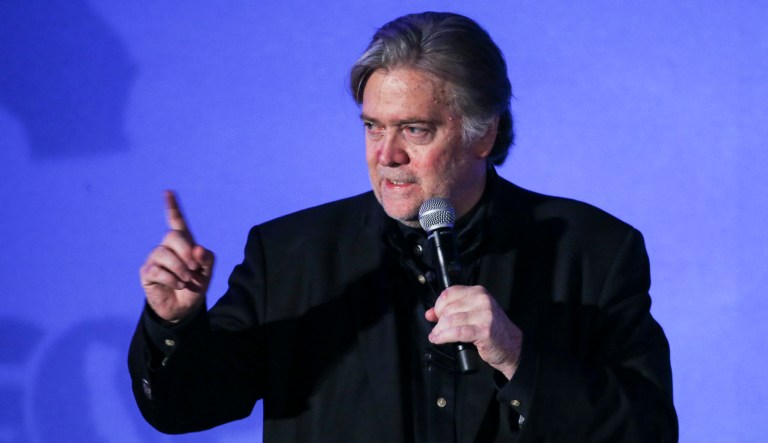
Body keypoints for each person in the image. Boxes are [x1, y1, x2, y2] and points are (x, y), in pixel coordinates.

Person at [129, 11, 678, 442]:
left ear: (483, 134)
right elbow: (182, 409)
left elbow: (648, 432)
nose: (386, 155)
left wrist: (518, 358)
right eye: (373, 127)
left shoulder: (594, 250)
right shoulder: (290, 254)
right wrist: (175, 323)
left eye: (414, 130)